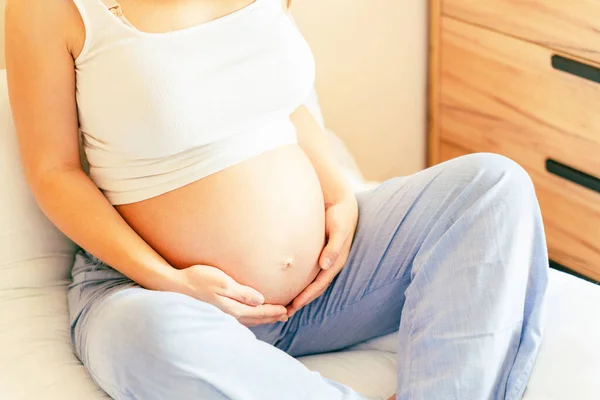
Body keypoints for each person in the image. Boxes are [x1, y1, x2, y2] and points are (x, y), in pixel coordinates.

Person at [5, 0, 548, 399]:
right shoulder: (50, 8)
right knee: (145, 338)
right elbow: (55, 172)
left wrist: (338, 192)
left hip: (326, 288)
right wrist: (171, 281)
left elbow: (278, 98)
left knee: (493, 187)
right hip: (159, 292)